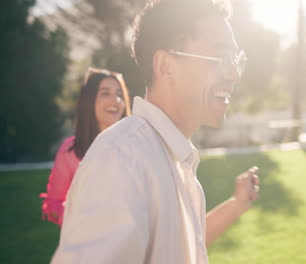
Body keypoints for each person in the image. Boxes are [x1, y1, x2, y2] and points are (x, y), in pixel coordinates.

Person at [52, 0, 260, 263]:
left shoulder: (173, 161)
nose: (234, 75)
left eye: (235, 60)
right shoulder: (123, 160)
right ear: (165, 65)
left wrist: (237, 203)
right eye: (220, 58)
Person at [40, 68, 131, 226]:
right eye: (105, 93)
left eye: (119, 95)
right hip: (91, 245)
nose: (115, 101)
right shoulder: (70, 151)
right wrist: (86, 221)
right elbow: (54, 204)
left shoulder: (136, 145)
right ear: (89, 101)